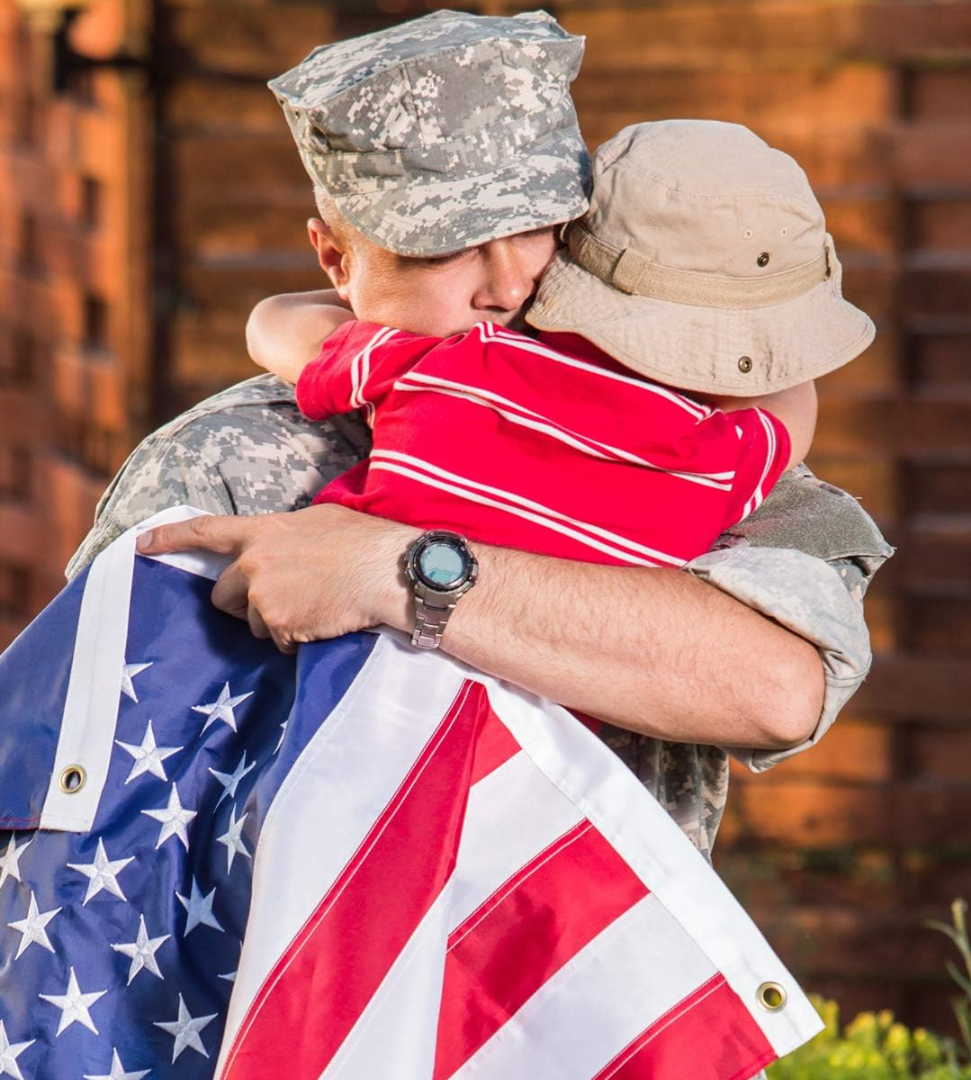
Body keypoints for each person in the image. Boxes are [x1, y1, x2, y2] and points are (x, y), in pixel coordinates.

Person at [68, 9, 893, 855]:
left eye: (537, 232)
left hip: (572, 961)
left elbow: (774, 690)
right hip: (280, 961)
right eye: (441, 252)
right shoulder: (229, 460)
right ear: (336, 260)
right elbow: (89, 777)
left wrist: (398, 570)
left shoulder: (683, 431)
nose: (505, 288)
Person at [245, 120, 869, 597]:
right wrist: (764, 327)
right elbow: (788, 402)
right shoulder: (715, 460)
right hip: (546, 752)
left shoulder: (448, 368)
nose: (509, 285)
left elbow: (274, 325)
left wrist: (361, 292)